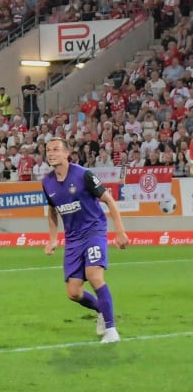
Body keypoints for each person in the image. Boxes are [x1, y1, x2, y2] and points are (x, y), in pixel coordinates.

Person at [43, 137, 128, 343]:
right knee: (73, 293)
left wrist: (120, 232)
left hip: (94, 231)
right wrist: (53, 239)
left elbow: (109, 200)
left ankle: (111, 331)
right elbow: (53, 211)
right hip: (72, 240)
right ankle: (102, 310)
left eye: (56, 149)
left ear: (67, 153)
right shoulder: (47, 182)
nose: (51, 153)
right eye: (48, 150)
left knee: (94, 275)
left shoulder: (83, 175)